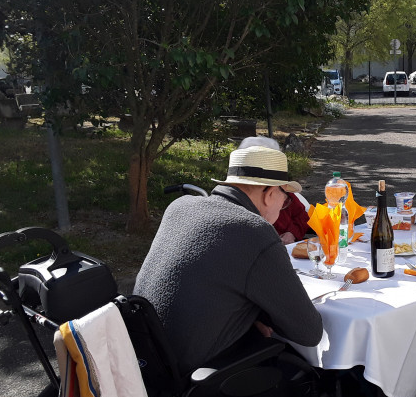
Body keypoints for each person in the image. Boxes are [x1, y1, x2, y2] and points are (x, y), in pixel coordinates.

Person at [133, 145, 323, 374]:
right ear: (269, 193)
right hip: (195, 376)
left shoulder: (180, 206)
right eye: (284, 200)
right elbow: (309, 332)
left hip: (143, 359)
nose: (283, 208)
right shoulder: (254, 231)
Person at [237, 136, 309, 244]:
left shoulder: (284, 192)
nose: (284, 200)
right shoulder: (237, 210)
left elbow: (302, 216)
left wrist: (292, 233)